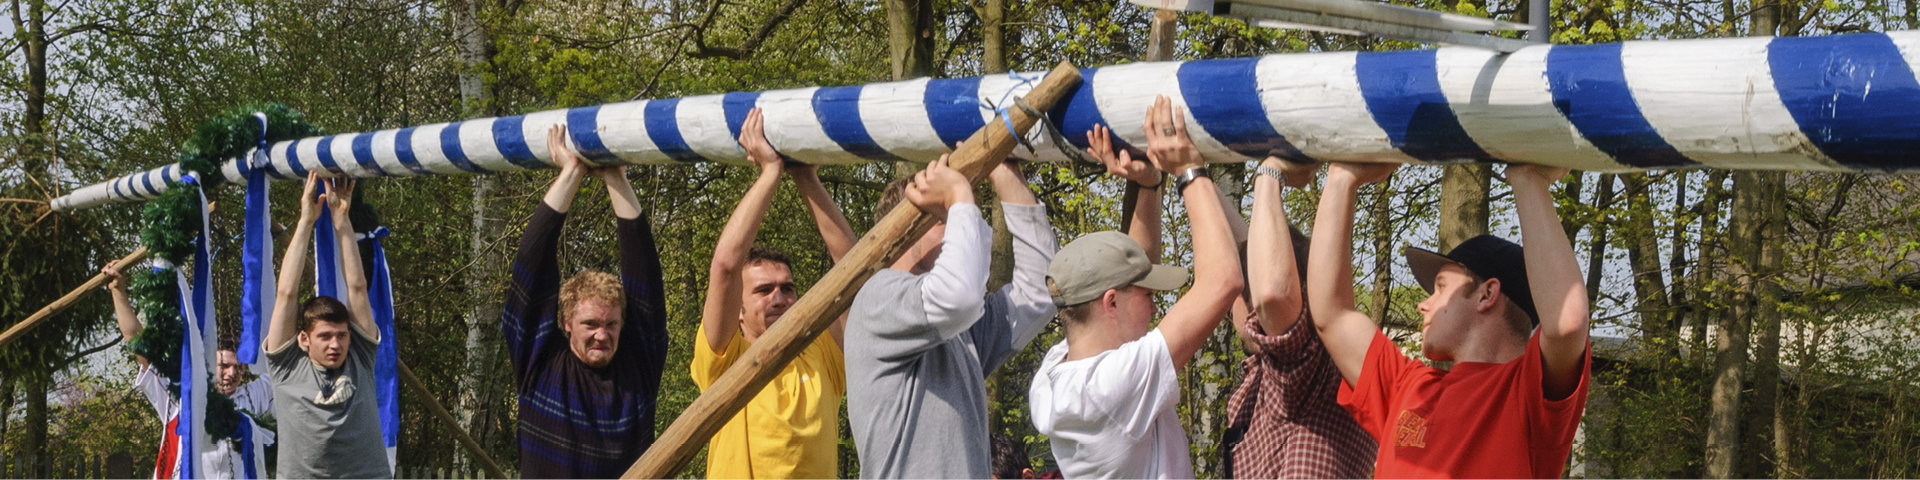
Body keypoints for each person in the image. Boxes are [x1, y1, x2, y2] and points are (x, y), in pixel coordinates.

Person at [1305, 161, 1592, 478]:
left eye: (1440, 287)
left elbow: (1567, 321)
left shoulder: (1529, 394)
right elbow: (1332, 314)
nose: (1422, 305)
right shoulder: (1409, 388)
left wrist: (1529, 181)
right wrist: (1342, 179)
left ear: (1487, 294)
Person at [1026, 96, 1244, 479]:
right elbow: (1223, 280)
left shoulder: (1057, 372)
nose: (1155, 308)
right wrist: (1188, 170)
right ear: (1109, 304)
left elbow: (1133, 263)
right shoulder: (1111, 387)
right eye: (1146, 297)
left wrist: (1149, 182)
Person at [844, 145, 1058, 478]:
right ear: (902, 231)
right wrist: (959, 192)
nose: (961, 225)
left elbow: (1042, 292)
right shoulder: (878, 298)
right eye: (945, 218)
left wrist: (1002, 170)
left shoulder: (956, 328)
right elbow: (958, 295)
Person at [693, 108, 857, 478]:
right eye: (764, 290)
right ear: (738, 310)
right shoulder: (725, 359)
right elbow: (724, 267)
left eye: (787, 288)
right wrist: (770, 173)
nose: (779, 297)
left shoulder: (824, 355)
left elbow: (854, 270)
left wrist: (806, 178)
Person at [502, 125, 669, 478]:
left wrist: (615, 176)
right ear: (566, 323)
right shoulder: (540, 365)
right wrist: (572, 171)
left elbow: (646, 282)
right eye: (590, 324)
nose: (602, 335)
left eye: (611, 324)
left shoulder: (637, 370)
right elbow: (531, 266)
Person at [1219, 156, 1375, 479]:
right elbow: (1247, 249)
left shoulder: (1301, 368)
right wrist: (1189, 174)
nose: (1226, 300)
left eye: (1238, 290)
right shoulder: (1288, 371)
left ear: (1254, 308)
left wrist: (1271, 171)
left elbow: (1274, 292)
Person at [262, 171, 388, 479]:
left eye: (342, 335)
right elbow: (286, 294)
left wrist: (342, 221)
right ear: (304, 339)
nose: (336, 344)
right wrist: (306, 220)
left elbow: (357, 287)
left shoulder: (360, 355)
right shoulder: (286, 364)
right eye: (326, 336)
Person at [105, 262, 277, 479]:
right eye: (224, 366)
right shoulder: (181, 392)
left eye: (238, 368)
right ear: (207, 364)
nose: (232, 374)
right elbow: (138, 343)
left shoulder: (255, 396)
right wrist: (118, 290)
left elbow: (285, 360)